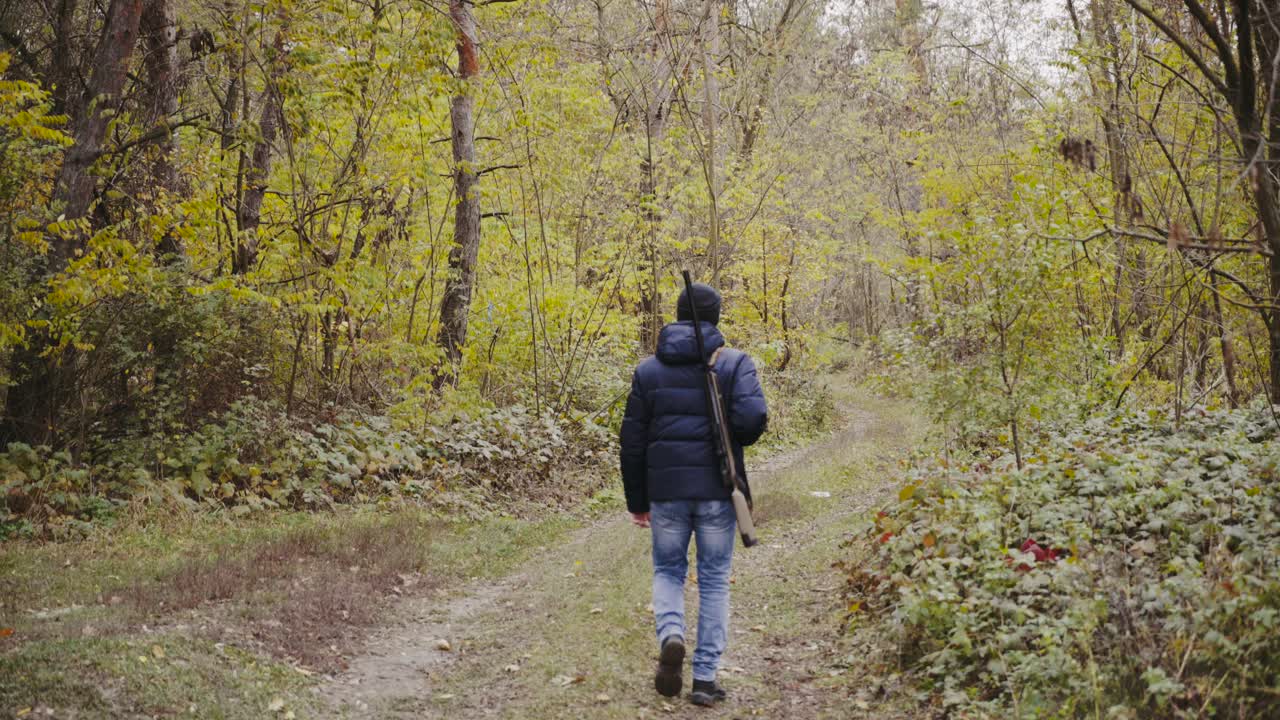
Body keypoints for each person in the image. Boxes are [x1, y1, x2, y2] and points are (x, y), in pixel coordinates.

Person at [619, 281, 769, 706]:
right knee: (715, 580)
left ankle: (671, 634)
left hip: (665, 493)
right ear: (716, 317)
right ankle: (704, 680)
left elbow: (631, 441)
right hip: (719, 491)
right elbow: (753, 418)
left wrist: (637, 500)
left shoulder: (648, 370)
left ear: (680, 315)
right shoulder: (735, 363)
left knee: (668, 571)